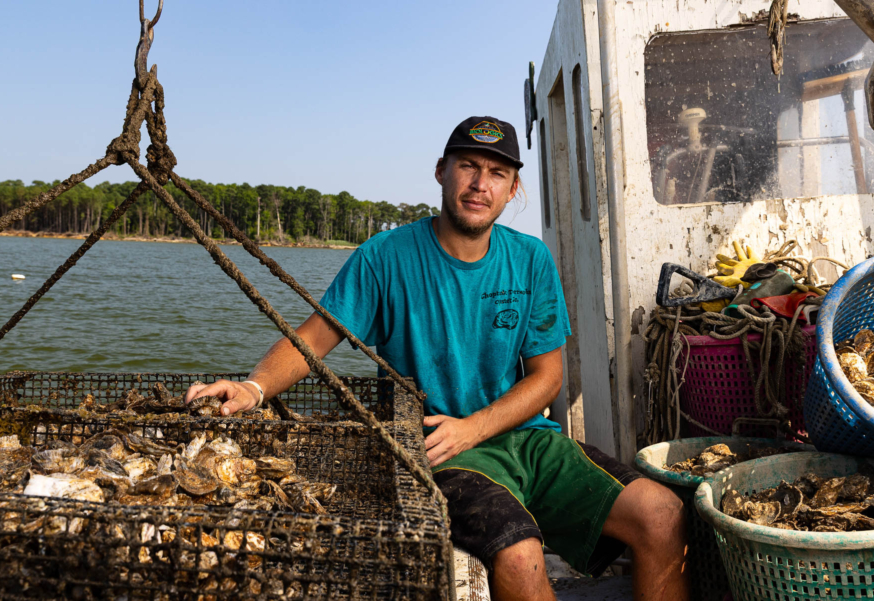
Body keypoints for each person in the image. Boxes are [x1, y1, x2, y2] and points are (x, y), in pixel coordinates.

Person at [186, 116, 689, 601]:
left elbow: (547, 378)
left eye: (497, 174)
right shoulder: (386, 256)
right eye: (468, 165)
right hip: (440, 450)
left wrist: (475, 426)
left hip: (525, 440)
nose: (480, 184)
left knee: (661, 512)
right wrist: (253, 388)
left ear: (513, 190)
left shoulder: (530, 258)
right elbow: (312, 341)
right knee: (520, 557)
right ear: (441, 172)